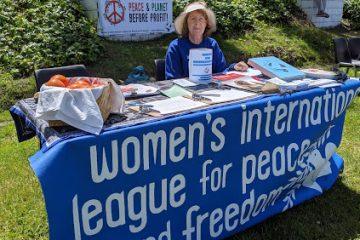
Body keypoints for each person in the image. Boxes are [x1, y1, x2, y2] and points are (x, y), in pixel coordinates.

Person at [165, 1, 248, 80]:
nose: (197, 23)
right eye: (193, 19)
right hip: (186, 93)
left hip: (210, 90)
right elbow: (172, 79)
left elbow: (222, 71)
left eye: (201, 19)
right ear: (186, 23)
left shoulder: (212, 44)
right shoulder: (176, 46)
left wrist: (234, 67)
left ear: (206, 23)